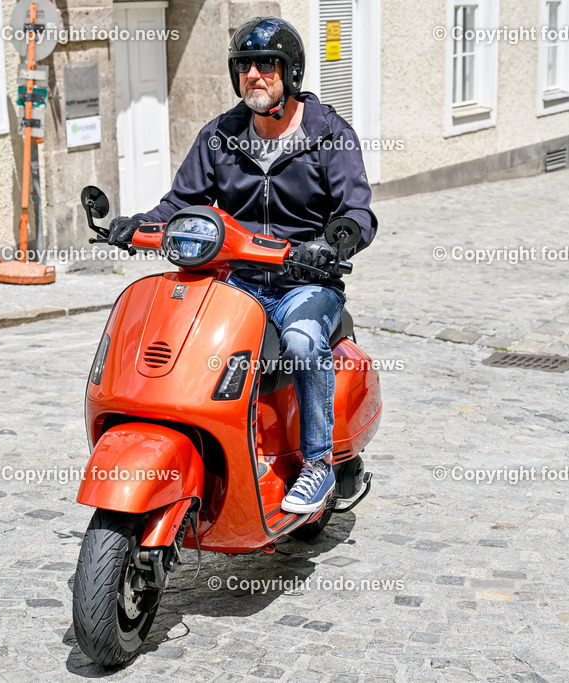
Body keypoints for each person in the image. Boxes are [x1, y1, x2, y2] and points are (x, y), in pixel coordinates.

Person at [106, 16, 377, 514]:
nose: (254, 74)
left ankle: (317, 464)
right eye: (244, 66)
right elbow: (180, 204)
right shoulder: (221, 135)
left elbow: (357, 211)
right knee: (184, 332)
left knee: (300, 341)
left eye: (267, 65)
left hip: (304, 280)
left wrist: (336, 241)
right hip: (235, 280)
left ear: (290, 73)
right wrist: (135, 224)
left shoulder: (330, 135)